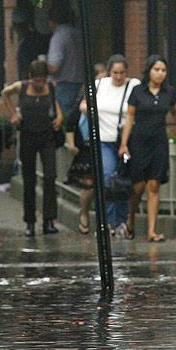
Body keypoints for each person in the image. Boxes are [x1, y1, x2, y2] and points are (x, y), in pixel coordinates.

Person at [119, 54, 176, 242]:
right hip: (139, 141)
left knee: (154, 184)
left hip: (159, 141)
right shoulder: (138, 91)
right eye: (156, 70)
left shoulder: (169, 92)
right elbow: (130, 118)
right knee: (138, 186)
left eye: (163, 70)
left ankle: (151, 230)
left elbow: (175, 111)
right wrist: (124, 144)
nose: (160, 74)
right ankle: (131, 219)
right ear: (149, 71)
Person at [77, 54, 140, 236]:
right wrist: (92, 111)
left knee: (122, 181)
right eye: (115, 73)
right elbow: (82, 105)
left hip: (124, 140)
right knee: (107, 178)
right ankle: (109, 220)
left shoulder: (133, 86)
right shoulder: (99, 85)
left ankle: (120, 219)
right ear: (109, 72)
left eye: (122, 73)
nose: (118, 77)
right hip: (104, 139)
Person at [2, 59, 63, 237]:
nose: (40, 84)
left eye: (42, 80)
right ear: (30, 77)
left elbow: (57, 107)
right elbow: (4, 94)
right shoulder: (21, 87)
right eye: (37, 80)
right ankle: (30, 221)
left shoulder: (50, 88)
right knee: (29, 179)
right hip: (28, 135)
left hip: (47, 136)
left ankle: (49, 219)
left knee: (50, 176)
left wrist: (59, 117)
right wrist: (13, 113)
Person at [66, 63, 107, 234]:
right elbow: (71, 120)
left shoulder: (111, 96)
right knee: (89, 186)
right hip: (87, 145)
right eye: (99, 78)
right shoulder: (85, 97)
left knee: (106, 184)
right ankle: (84, 213)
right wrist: (71, 143)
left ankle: (104, 221)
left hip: (105, 142)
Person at [46, 5, 84, 117]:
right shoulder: (78, 33)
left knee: (65, 121)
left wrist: (43, 65)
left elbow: (54, 66)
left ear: (52, 21)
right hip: (80, 82)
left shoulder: (58, 37)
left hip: (64, 85)